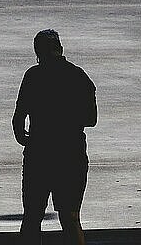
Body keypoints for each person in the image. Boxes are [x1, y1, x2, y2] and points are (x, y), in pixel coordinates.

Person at [12, 29, 97, 245]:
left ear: (37, 53)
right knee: (70, 218)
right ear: (61, 49)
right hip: (71, 155)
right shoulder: (79, 76)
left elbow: (18, 121)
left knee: (32, 217)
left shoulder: (33, 76)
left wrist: (28, 139)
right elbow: (91, 119)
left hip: (39, 155)